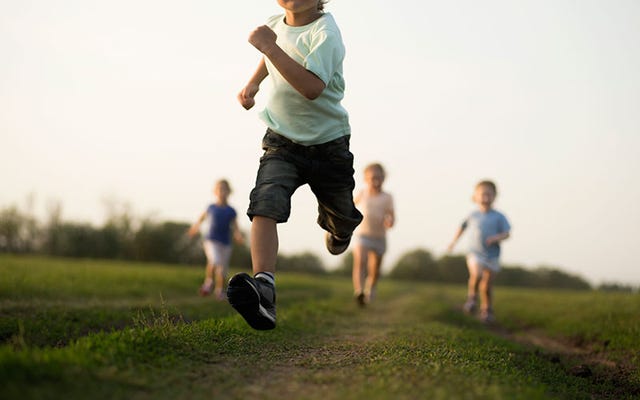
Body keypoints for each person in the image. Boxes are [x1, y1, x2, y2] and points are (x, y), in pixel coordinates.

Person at [227, 0, 362, 330]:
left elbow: (312, 88)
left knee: (342, 217)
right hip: (282, 141)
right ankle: (264, 287)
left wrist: (270, 48)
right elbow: (271, 55)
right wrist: (253, 83)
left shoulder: (325, 32)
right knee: (264, 203)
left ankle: (338, 229)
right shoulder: (276, 24)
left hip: (328, 146)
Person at [447, 180, 511, 323]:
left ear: (495, 196)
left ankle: (486, 309)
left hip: (493, 255)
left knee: (487, 285)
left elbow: (507, 233)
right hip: (475, 253)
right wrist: (453, 242)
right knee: (476, 273)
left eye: (489, 194)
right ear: (475, 196)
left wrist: (496, 237)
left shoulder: (499, 216)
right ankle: (472, 298)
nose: (486, 197)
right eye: (483, 194)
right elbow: (462, 228)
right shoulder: (473, 215)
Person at [189, 179, 244, 300]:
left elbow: (235, 226)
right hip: (211, 240)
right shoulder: (211, 207)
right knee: (214, 260)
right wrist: (195, 228)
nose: (222, 192)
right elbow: (201, 218)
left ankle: (219, 291)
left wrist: (238, 235)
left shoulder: (231, 210)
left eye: (224, 189)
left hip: (225, 242)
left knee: (222, 269)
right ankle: (208, 283)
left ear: (229, 192)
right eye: (219, 189)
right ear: (215, 191)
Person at [352, 163, 395, 306]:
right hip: (362, 234)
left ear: (384, 179)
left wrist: (390, 222)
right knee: (360, 262)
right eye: (373, 178)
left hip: (379, 237)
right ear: (366, 179)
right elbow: (350, 208)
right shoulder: (361, 194)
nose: (376, 181)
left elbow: (391, 216)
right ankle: (359, 292)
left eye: (379, 178)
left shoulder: (387, 197)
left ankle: (371, 288)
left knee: (374, 270)